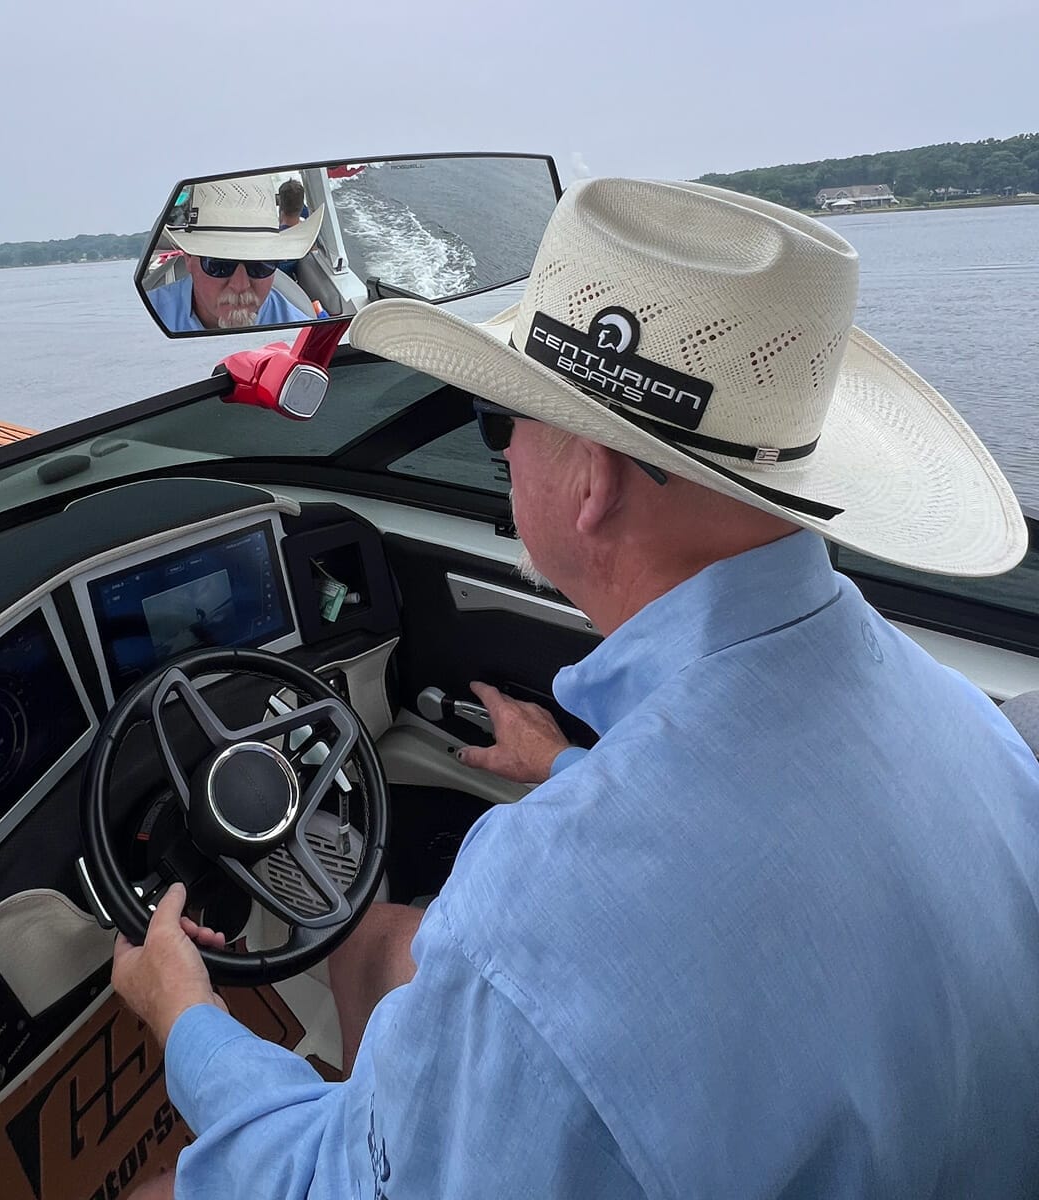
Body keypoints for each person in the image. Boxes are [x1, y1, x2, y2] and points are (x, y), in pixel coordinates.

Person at [114, 178, 1039, 1197]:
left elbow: (325, 1180)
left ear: (590, 482)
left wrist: (182, 1013)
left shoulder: (537, 917)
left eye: (497, 423)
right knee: (378, 938)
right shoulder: (974, 729)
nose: (499, 453)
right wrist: (568, 767)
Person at [146, 176, 323, 331]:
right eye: (220, 264)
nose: (240, 285)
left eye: (260, 264)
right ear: (189, 259)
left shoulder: (299, 331)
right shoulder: (149, 318)